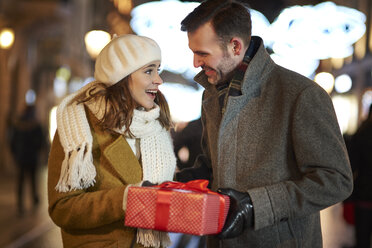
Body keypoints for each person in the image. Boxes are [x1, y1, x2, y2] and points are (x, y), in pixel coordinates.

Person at [175, 1, 353, 247]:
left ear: (235, 46)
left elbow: (336, 180)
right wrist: (183, 180)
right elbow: (213, 164)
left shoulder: (300, 94)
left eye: (202, 53)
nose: (195, 63)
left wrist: (254, 205)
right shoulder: (212, 93)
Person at [48, 34, 176, 248]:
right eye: (148, 71)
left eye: (158, 70)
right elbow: (62, 208)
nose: (159, 80)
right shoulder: (79, 127)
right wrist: (124, 200)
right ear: (122, 76)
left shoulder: (155, 126)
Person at [10, 104, 45, 216]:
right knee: (33, 180)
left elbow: (12, 141)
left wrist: (15, 154)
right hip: (32, 157)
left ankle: (20, 203)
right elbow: (41, 142)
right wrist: (38, 150)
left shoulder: (17, 124)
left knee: (20, 181)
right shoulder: (36, 125)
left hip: (20, 157)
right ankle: (34, 199)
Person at [348, 104, 372, 248]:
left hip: (364, 194)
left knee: (362, 238)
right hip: (364, 193)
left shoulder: (362, 132)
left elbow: (351, 164)